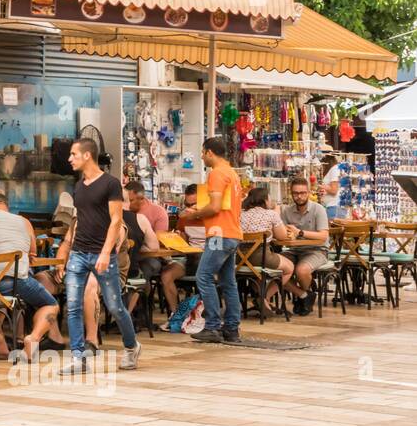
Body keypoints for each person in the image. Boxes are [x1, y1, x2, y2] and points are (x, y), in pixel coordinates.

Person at [57, 138, 142, 371]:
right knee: (73, 305)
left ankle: (131, 345)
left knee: (115, 306)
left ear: (87, 155)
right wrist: (67, 249)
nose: (69, 159)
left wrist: (105, 253)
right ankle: (78, 358)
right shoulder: (78, 186)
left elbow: (116, 220)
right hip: (78, 254)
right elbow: (79, 220)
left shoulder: (110, 183)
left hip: (102, 255)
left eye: (73, 154)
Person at [0, 190, 63, 363]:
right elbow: (32, 252)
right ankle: (33, 337)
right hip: (14, 282)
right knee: (50, 304)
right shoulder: (23, 222)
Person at [180, 137, 244, 343]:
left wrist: (192, 215)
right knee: (228, 282)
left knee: (204, 277)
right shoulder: (232, 174)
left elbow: (215, 207)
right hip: (232, 233)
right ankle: (232, 329)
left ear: (209, 152)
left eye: (202, 152)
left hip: (219, 234)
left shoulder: (216, 173)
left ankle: (213, 326)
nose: (201, 156)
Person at [125, 180, 185, 314]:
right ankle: (126, 312)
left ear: (141, 198)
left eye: (130, 200)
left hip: (153, 258)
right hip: (129, 256)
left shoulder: (157, 212)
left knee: (144, 269)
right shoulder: (124, 210)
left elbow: (159, 242)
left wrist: (137, 245)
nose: (127, 203)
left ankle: (139, 311)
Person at [239, 186, 296, 318]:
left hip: (240, 259)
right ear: (265, 199)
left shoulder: (240, 214)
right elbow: (282, 236)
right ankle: (264, 297)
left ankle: (262, 299)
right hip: (261, 257)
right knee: (289, 268)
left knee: (259, 275)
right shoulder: (271, 214)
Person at [280, 177, 330, 315]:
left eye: (302, 193)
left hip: (317, 250)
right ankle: (304, 295)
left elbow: (323, 236)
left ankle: (303, 297)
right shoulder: (286, 211)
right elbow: (283, 234)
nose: (299, 196)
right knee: (275, 268)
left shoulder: (318, 209)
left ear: (308, 192)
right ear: (291, 193)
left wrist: (299, 232)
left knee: (301, 271)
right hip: (294, 250)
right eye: (296, 193)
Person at [319, 155, 342, 220]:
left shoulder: (334, 169)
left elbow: (334, 190)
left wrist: (320, 185)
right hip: (331, 207)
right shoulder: (332, 169)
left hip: (334, 207)